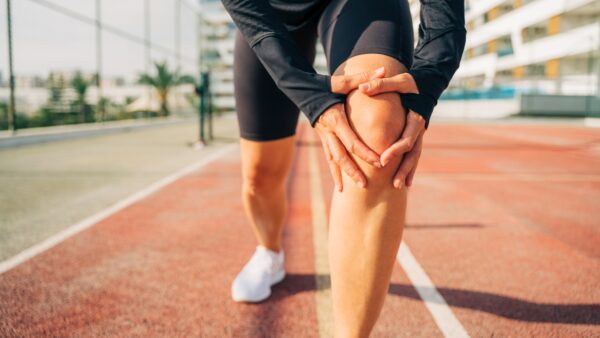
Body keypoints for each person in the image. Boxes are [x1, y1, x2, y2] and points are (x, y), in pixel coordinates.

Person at [221, 0, 466, 335]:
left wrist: (430, 80)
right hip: (270, 8)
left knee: (378, 126)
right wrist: (311, 97)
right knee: (259, 178)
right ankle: (269, 252)